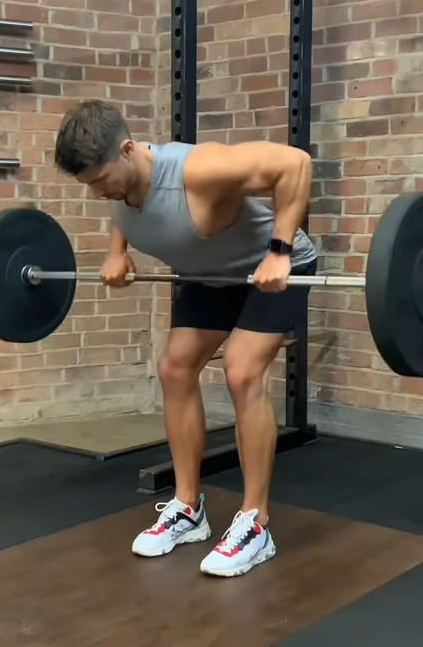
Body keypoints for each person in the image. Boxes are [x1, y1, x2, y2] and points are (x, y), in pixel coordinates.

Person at [53, 100, 317, 577]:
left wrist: (279, 251)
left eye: (99, 181)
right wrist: (118, 251)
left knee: (240, 371)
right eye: (87, 185)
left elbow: (295, 164)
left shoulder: (198, 170)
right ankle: (187, 507)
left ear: (129, 150)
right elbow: (126, 208)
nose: (97, 194)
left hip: (274, 269)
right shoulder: (120, 182)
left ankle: (256, 523)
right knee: (174, 367)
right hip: (205, 273)